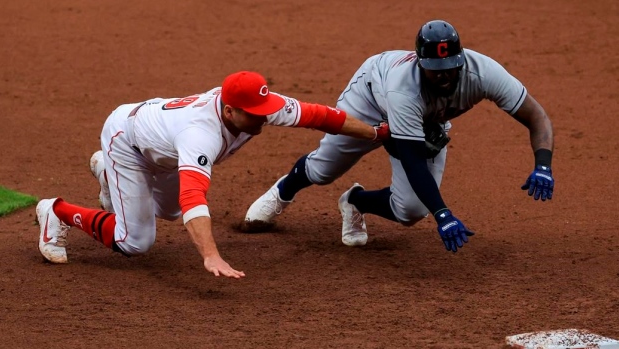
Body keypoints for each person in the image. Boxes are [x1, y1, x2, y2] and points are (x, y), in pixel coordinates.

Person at [36, 71, 390, 278]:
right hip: (127, 143)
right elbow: (194, 196)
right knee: (136, 242)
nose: (263, 118)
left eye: (265, 110)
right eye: (254, 114)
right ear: (229, 109)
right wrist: (210, 254)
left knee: (170, 210)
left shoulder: (258, 106)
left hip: (160, 144)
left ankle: (108, 176)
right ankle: (56, 211)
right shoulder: (200, 135)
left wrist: (376, 133)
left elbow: (324, 117)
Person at [244, 20, 555, 253]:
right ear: (420, 62)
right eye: (436, 69)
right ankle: (282, 191)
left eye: (450, 67)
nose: (444, 75)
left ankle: (355, 201)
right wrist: (444, 214)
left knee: (411, 211)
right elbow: (410, 157)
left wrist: (543, 164)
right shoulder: (403, 87)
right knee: (325, 170)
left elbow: (536, 116)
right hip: (370, 100)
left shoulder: (484, 72)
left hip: (423, 118)